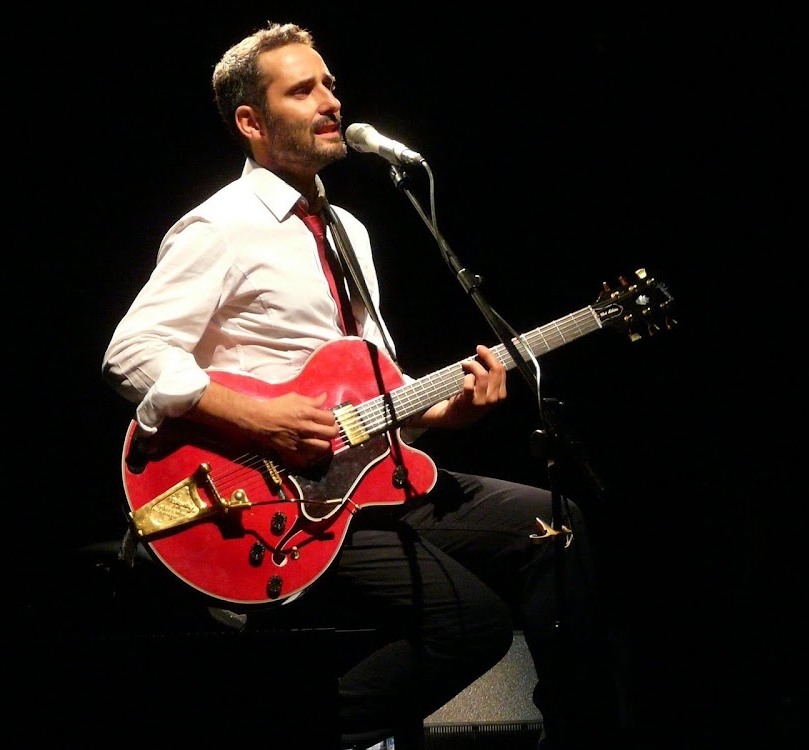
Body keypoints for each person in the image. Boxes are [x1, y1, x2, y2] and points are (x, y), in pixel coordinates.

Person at [102, 21, 621, 750]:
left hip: (365, 481)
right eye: (302, 90)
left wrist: (444, 412)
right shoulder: (220, 227)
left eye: (330, 84)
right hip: (278, 507)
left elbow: (373, 388)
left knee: (555, 526)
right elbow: (131, 353)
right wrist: (258, 418)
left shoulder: (348, 228)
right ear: (251, 122)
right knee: (469, 623)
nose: (330, 101)